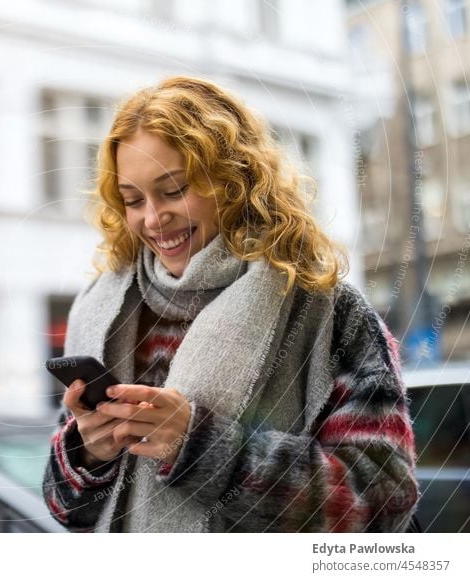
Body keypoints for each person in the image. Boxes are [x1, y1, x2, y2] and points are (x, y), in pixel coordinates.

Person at [42, 76, 419, 533]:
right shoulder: (101, 307)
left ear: (234, 179)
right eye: (133, 200)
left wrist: (201, 448)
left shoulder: (327, 311)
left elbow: (382, 501)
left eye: (174, 189)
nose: (153, 218)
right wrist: (87, 454)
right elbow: (67, 510)